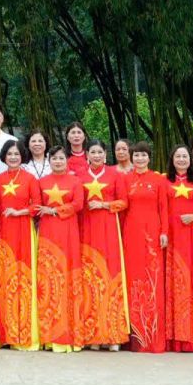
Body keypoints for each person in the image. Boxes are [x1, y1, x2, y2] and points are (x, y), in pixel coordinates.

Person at [72, 141, 126, 351]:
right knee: (90, 279)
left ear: (105, 155)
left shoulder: (115, 175)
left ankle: (113, 335)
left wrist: (104, 205)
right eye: (92, 152)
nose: (96, 155)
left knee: (111, 277)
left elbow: (123, 202)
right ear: (87, 155)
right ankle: (93, 335)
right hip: (86, 230)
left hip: (108, 230)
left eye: (99, 152)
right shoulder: (80, 177)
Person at [33, 144, 83, 352]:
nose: (58, 161)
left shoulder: (75, 181)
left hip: (68, 232)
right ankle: (47, 334)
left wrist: (54, 210)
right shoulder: (41, 182)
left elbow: (79, 204)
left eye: (61, 158)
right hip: (47, 233)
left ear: (66, 161)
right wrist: (48, 212)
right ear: (49, 161)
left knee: (67, 276)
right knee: (48, 278)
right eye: (54, 159)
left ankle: (69, 332)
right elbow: (36, 206)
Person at [120, 144, 167, 353]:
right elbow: (122, 208)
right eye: (136, 155)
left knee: (152, 279)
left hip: (153, 234)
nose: (139, 158)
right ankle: (136, 338)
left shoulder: (158, 180)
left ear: (149, 157)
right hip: (131, 233)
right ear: (132, 157)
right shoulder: (125, 179)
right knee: (133, 279)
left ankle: (153, 337)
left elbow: (163, 207)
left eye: (143, 155)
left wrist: (164, 231)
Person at [0, 140, 39, 350]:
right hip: (3, 232)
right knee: (4, 278)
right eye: (9, 154)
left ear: (23, 156)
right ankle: (4, 332)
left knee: (23, 278)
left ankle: (24, 331)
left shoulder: (30, 179)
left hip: (23, 230)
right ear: (4, 156)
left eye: (17, 154)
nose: (13, 157)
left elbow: (37, 206)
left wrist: (19, 212)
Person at [163, 144, 193, 353]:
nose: (181, 160)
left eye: (185, 156)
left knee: (190, 279)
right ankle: (171, 336)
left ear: (190, 160)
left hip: (190, 235)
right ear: (172, 160)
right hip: (170, 235)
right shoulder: (165, 181)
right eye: (177, 156)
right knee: (172, 281)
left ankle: (190, 335)